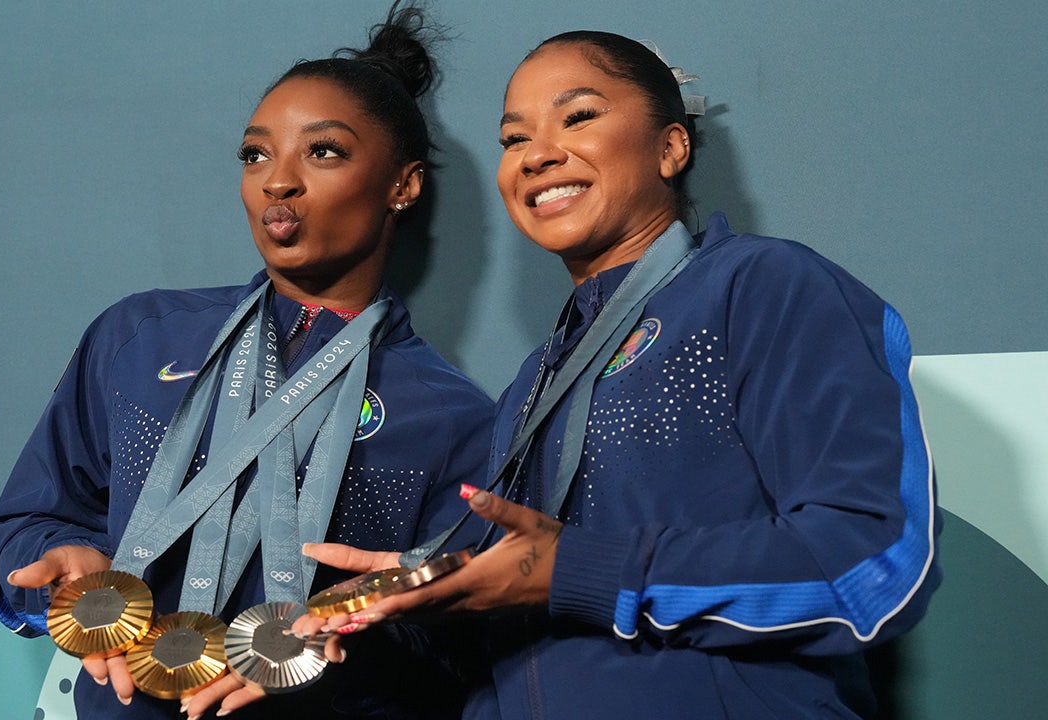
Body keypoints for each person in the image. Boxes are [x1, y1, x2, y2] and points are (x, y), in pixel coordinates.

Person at [301, 31, 941, 719]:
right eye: (514, 139)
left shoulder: (766, 287)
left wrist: (577, 571)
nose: (538, 154)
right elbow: (527, 634)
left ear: (671, 147)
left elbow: (873, 562)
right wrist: (379, 617)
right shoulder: (532, 384)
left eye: (578, 117)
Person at [0, 5, 495, 719]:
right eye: (256, 155)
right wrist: (60, 573)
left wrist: (340, 646)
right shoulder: (142, 337)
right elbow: (23, 526)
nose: (277, 182)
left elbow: (459, 648)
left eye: (324, 152)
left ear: (402, 186)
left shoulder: (454, 416)